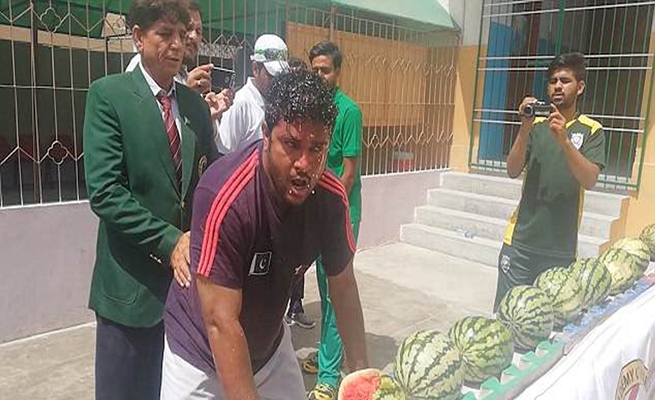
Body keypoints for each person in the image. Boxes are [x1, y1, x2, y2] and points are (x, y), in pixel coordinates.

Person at [161, 69, 369, 400]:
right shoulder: (225, 197)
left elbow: (343, 287)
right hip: (199, 356)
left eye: (317, 148)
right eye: (292, 144)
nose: (305, 164)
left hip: (270, 352)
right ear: (265, 134)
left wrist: (363, 376)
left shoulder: (330, 198)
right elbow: (221, 322)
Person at [83, 1, 219, 399]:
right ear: (138, 37)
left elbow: (207, 181)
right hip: (129, 292)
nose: (177, 44)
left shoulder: (194, 106)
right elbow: (106, 193)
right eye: (164, 34)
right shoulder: (109, 96)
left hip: (185, 295)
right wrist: (170, 241)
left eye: (182, 34)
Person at [493, 52, 607, 310]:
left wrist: (564, 140)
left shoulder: (591, 130)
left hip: (561, 250)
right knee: (506, 316)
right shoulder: (534, 126)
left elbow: (589, 179)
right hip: (520, 245)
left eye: (565, 80)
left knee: (550, 323)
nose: (557, 86)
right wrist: (524, 127)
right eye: (553, 81)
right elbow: (512, 169)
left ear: (580, 87)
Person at [303, 40, 364, 400]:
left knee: (337, 290)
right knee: (325, 292)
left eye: (325, 70)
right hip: (316, 211)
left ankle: (328, 376)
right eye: (314, 70)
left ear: (338, 72)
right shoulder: (314, 109)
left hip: (340, 214)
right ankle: (329, 354)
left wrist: (327, 213)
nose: (319, 76)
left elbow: (349, 173)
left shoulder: (349, 111)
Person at [125, 0, 233, 129]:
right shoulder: (143, 68)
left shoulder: (184, 75)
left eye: (198, 31)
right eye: (188, 29)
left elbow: (190, 136)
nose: (193, 36)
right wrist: (185, 94)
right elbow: (139, 127)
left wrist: (204, 115)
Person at [215, 33, 289, 154]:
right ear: (255, 69)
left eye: (281, 76)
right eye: (271, 76)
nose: (277, 82)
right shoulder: (241, 104)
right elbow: (224, 154)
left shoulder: (280, 103)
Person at [284, 55, 316, 330]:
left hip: (300, 195)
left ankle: (295, 305)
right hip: (275, 191)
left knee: (299, 254)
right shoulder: (279, 108)